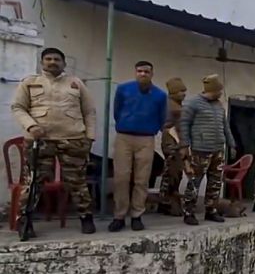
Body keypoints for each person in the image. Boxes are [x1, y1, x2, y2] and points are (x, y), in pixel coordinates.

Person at [10, 47, 97, 238]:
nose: (52, 62)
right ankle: (25, 220)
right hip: (40, 140)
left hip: (73, 139)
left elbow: (89, 111)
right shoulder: (30, 83)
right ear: (42, 62)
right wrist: (31, 126)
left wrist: (90, 137)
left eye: (57, 59)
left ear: (64, 63)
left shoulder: (76, 83)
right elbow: (18, 107)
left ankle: (86, 217)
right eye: (48, 59)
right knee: (33, 181)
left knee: (77, 181)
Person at [108, 61, 167, 232]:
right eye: (140, 71)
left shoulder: (160, 95)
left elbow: (162, 117)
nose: (143, 74)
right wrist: (125, 124)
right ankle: (119, 216)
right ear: (135, 72)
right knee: (121, 177)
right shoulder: (123, 89)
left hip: (146, 138)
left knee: (142, 179)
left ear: (152, 74)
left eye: (146, 71)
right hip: (124, 137)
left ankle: (137, 215)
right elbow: (117, 111)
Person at [179, 74, 236, 225]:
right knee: (194, 182)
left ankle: (211, 210)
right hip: (200, 150)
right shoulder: (193, 103)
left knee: (215, 182)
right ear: (213, 90)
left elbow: (225, 126)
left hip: (218, 150)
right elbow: (184, 125)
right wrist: (184, 146)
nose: (221, 93)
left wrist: (231, 143)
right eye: (219, 90)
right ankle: (188, 212)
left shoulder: (219, 105)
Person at [158, 77, 188, 215]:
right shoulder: (172, 107)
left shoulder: (175, 105)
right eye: (181, 91)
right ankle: (167, 203)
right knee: (172, 173)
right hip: (172, 142)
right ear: (173, 92)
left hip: (174, 142)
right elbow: (176, 128)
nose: (184, 94)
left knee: (173, 173)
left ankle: (166, 201)